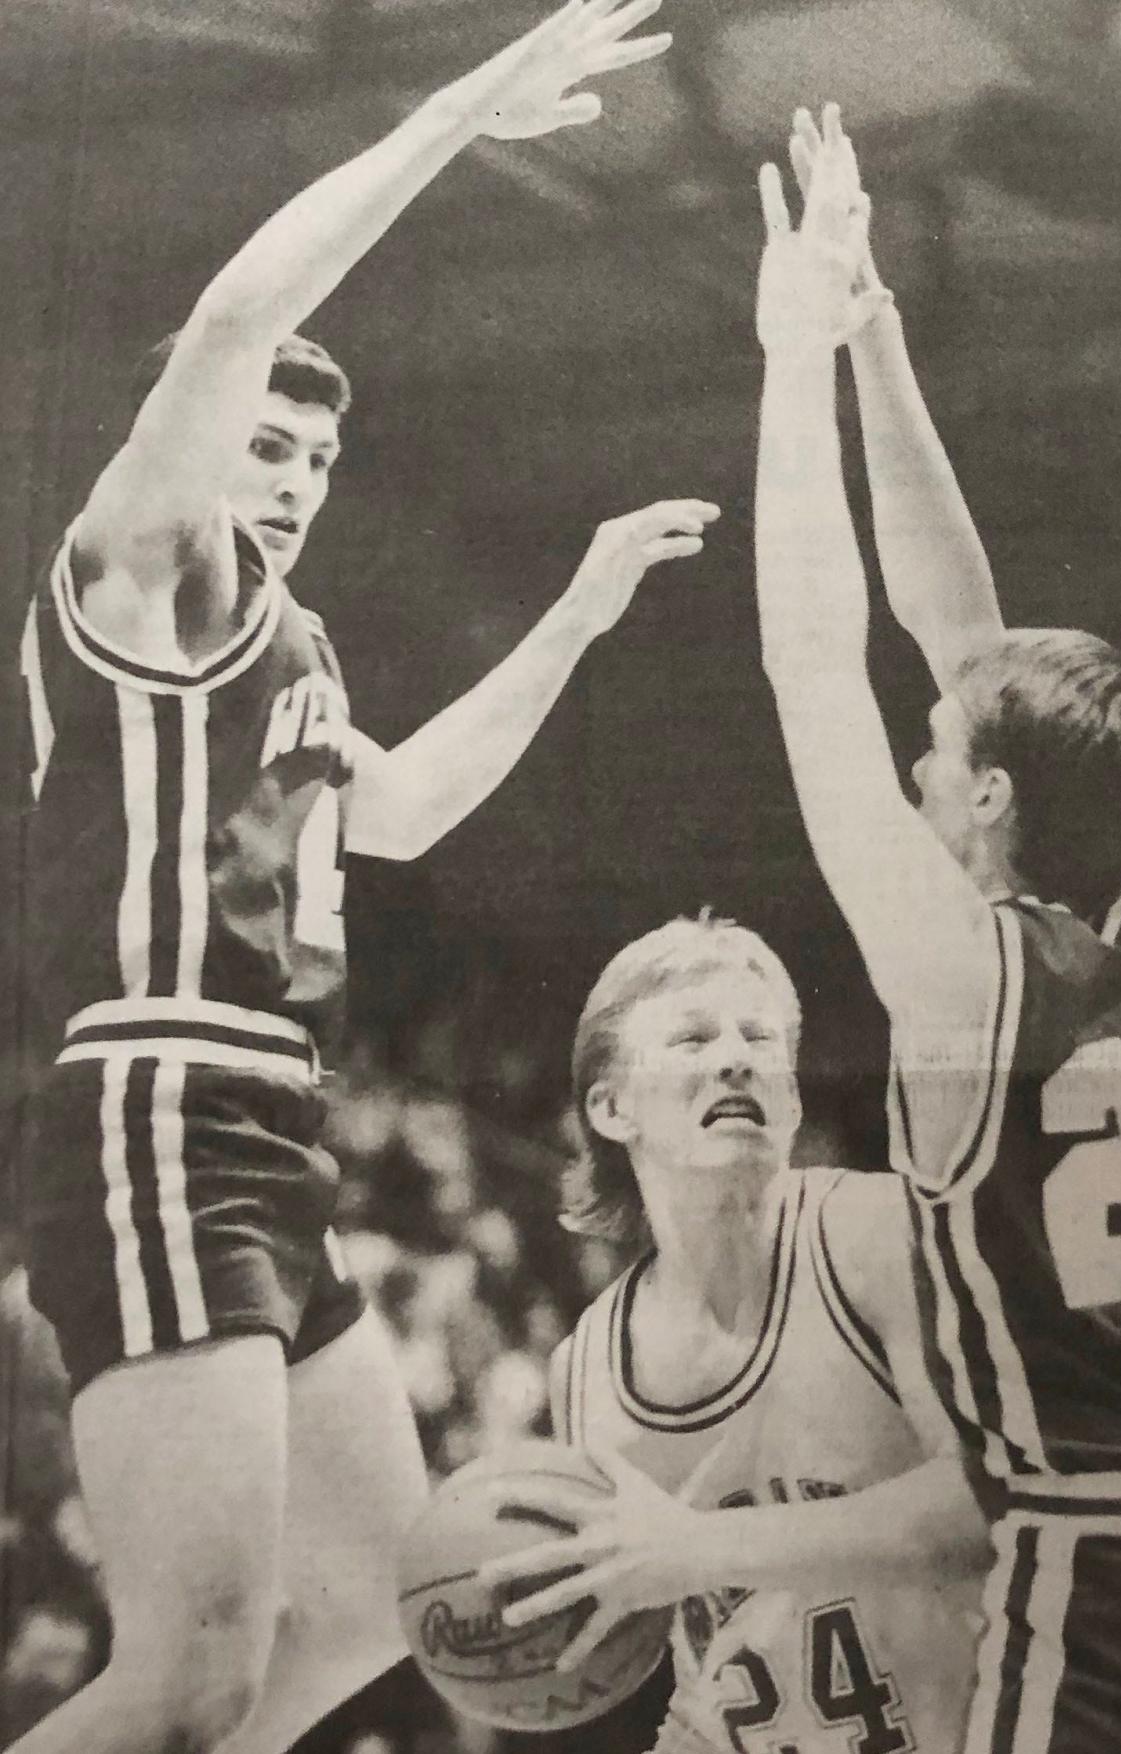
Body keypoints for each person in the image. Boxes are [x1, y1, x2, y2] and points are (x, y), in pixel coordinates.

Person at [9, 6, 722, 1752]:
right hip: (161, 1094)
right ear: (194, 436)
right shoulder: (144, 569)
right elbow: (246, 312)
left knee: (358, 1623)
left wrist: (572, 616)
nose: (300, 479)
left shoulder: (294, 646)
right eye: (270, 444)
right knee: (186, 1675)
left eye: (320, 462)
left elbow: (396, 812)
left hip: (271, 1125)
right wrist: (468, 105)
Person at [752, 108, 1121, 1753]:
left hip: (1093, 1557)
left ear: (987, 809)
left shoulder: (967, 975)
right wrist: (874, 324)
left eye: (940, 761)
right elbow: (960, 635)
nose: (917, 755)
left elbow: (823, 662)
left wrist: (786, 358)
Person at [477, 916, 989, 1753]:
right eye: (691, 1037)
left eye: (760, 1037)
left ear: (789, 1097)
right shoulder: (588, 1371)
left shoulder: (874, 1236)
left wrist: (699, 1546)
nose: (736, 1056)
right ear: (610, 1107)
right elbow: (711, 1655)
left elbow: (992, 1503)